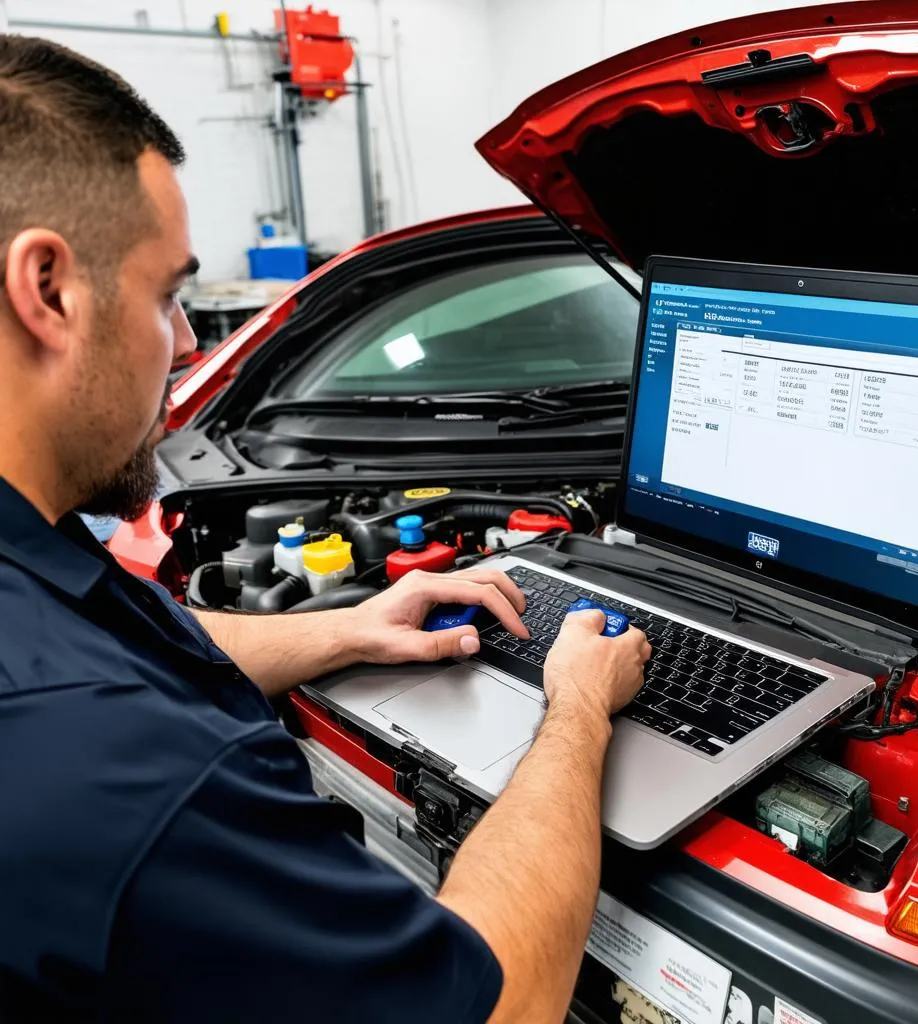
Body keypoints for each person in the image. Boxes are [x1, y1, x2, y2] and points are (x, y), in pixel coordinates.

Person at [0, 35, 652, 1024]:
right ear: (48, 288)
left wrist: (353, 625)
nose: (184, 345)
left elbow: (126, 638)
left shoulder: (35, 589)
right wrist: (576, 713)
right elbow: (497, 1005)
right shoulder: (133, 773)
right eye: (169, 294)